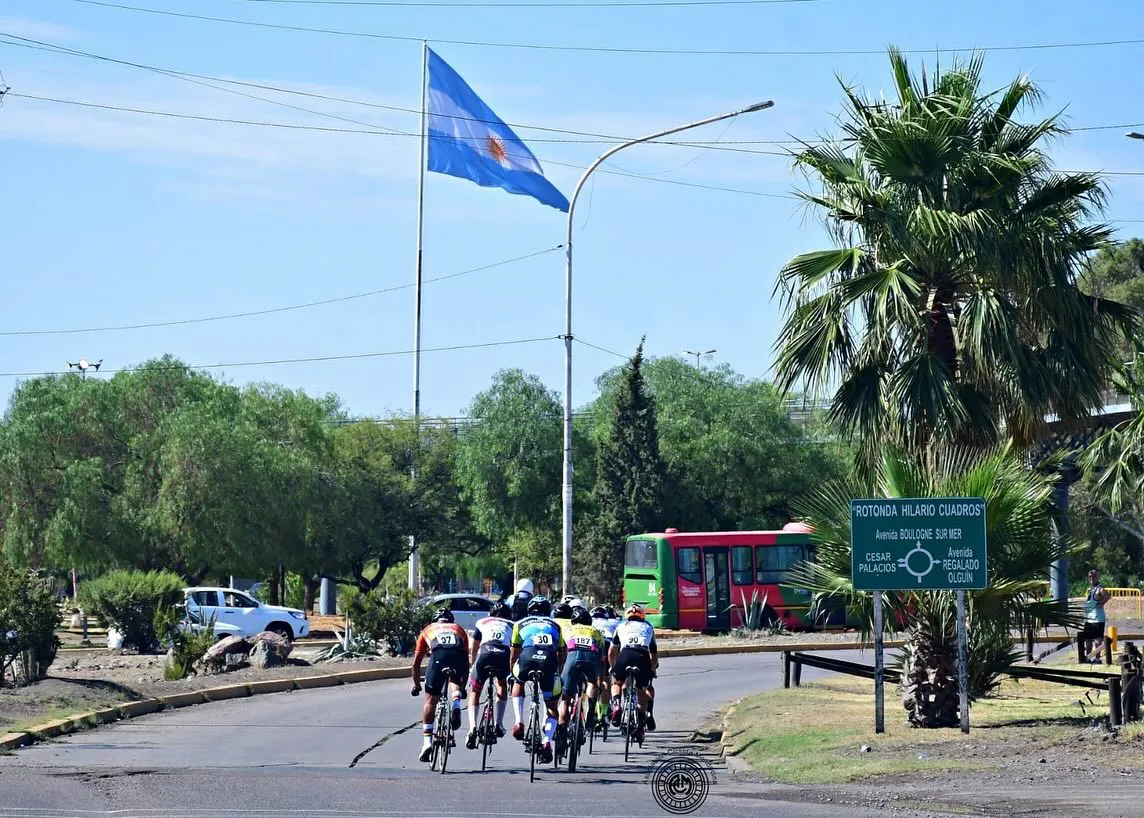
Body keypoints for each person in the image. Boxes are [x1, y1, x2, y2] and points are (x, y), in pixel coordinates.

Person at [509, 595, 565, 764]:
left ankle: (519, 720)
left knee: (518, 682)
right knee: (552, 707)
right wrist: (558, 672)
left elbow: (514, 653)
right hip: (548, 661)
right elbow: (561, 652)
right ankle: (547, 739)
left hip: (527, 658)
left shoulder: (519, 624)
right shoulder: (556, 625)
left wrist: (512, 671)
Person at [410, 607, 470, 763]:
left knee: (430, 701)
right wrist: (463, 689)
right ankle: (456, 704)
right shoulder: (459, 629)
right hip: (458, 658)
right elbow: (466, 662)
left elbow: (416, 664)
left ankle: (427, 743)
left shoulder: (427, 629)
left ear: (435, 620)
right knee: (456, 680)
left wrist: (416, 685)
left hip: (438, 657)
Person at [556, 605, 606, 755]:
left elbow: (560, 652)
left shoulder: (567, 630)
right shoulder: (596, 632)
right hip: (591, 659)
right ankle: (590, 712)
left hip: (571, 659)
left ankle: (562, 735)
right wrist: (600, 681)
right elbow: (602, 659)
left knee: (565, 700)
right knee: (591, 683)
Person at [464, 599, 513, 749]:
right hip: (502, 655)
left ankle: (472, 727)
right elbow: (515, 649)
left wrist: (473, 665)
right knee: (502, 685)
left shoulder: (482, 621)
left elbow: (474, 646)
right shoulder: (512, 625)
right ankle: (498, 724)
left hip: (484, 654)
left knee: (475, 691)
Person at [608, 602, 658, 744]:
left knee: (617, 682)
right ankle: (642, 720)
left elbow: (612, 651)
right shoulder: (648, 627)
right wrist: (652, 669)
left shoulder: (621, 626)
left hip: (625, 655)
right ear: (642, 616)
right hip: (642, 657)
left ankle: (617, 704)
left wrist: (613, 667)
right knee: (642, 691)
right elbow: (654, 654)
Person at [590, 605, 619, 722]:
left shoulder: (589, 622)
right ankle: (605, 711)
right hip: (606, 645)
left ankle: (591, 707)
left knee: (590, 680)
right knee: (606, 679)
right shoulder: (612, 623)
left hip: (592, 646)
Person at [1082, 569, 1111, 662]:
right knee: (1088, 640)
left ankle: (1097, 659)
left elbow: (1107, 595)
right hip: (1089, 619)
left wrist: (1102, 602)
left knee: (1098, 640)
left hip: (1097, 619)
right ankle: (1088, 658)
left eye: (1094, 576)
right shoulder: (1091, 589)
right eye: (1090, 576)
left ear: (1097, 577)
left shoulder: (1099, 588)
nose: (1092, 578)